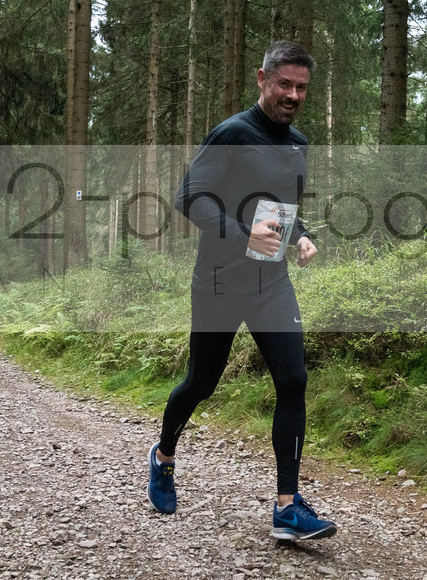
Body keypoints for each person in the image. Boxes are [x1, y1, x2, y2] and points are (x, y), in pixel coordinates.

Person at [147, 40, 336, 541]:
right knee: (202, 383)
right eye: (284, 84)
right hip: (218, 281)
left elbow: (280, 208)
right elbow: (188, 198)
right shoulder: (233, 133)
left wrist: (301, 236)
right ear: (262, 78)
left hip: (269, 281)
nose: (293, 94)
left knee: (293, 380)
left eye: (301, 87)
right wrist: (240, 231)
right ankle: (164, 456)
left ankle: (287, 507)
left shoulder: (299, 143)